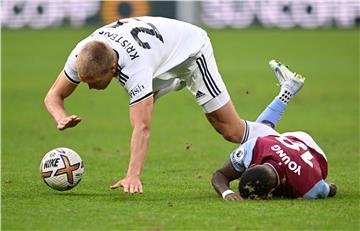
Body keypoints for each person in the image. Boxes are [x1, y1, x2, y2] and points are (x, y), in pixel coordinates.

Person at [44, 16, 304, 194]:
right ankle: (170, 83)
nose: (89, 87)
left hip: (190, 52)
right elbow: (53, 96)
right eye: (85, 80)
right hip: (158, 55)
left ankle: (287, 92)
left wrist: (133, 174)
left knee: (231, 131)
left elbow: (142, 127)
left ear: (113, 68)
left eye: (94, 82)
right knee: (143, 97)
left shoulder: (136, 69)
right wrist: (60, 116)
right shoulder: (82, 54)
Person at [211, 78, 337, 200]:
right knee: (248, 133)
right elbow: (220, 175)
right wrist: (227, 193)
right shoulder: (252, 147)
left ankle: (289, 89)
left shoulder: (309, 188)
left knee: (235, 132)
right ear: (252, 165)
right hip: (287, 139)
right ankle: (288, 90)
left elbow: (330, 189)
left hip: (313, 150)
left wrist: (327, 187)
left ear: (271, 192)